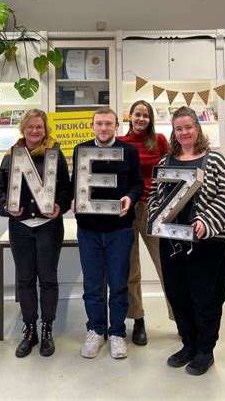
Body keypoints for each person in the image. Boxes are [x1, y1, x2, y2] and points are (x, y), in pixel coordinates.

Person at [148, 106, 225, 376]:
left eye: (188, 127)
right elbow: (154, 198)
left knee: (205, 297)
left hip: (206, 243)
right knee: (178, 295)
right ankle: (188, 344)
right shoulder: (164, 162)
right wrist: (156, 219)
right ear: (173, 132)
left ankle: (205, 350)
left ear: (197, 129)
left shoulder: (215, 160)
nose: (184, 132)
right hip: (172, 243)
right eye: (179, 128)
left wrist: (205, 221)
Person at [0, 109, 72, 358]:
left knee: (48, 278)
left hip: (49, 227)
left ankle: (47, 327)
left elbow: (66, 190)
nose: (35, 131)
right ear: (23, 129)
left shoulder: (55, 154)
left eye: (39, 127)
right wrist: (6, 207)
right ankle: (30, 330)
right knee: (25, 280)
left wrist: (60, 206)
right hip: (21, 228)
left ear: (45, 129)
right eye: (30, 127)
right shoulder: (11, 156)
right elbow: (0, 191)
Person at [73, 107, 144, 359]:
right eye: (99, 124)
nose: (103, 128)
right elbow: (76, 183)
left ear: (116, 126)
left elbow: (138, 183)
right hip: (89, 229)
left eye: (108, 124)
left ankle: (116, 333)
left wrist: (130, 197)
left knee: (118, 284)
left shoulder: (129, 151)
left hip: (120, 229)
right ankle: (95, 330)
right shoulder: (81, 150)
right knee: (92, 286)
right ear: (92, 126)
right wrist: (74, 199)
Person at [117, 100, 173, 346]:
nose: (141, 119)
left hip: (155, 208)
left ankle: (180, 317)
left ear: (151, 119)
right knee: (132, 270)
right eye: (137, 114)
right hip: (128, 208)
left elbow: (172, 170)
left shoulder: (159, 140)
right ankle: (137, 319)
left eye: (145, 115)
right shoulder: (121, 142)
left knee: (166, 266)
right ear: (130, 117)